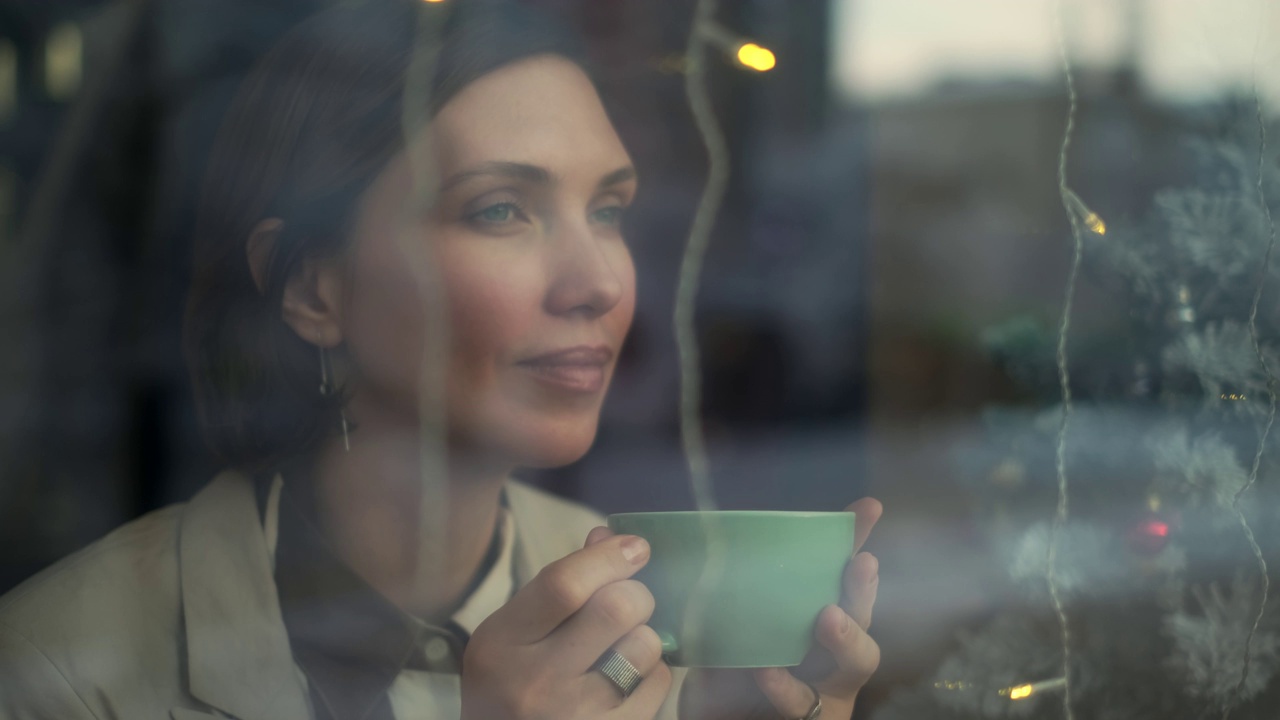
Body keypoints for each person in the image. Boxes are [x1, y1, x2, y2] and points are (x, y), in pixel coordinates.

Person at [0, 2, 882, 718]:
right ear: (313, 289)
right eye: (501, 209)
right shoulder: (59, 669)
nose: (600, 284)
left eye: (607, 210)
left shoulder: (643, 611)